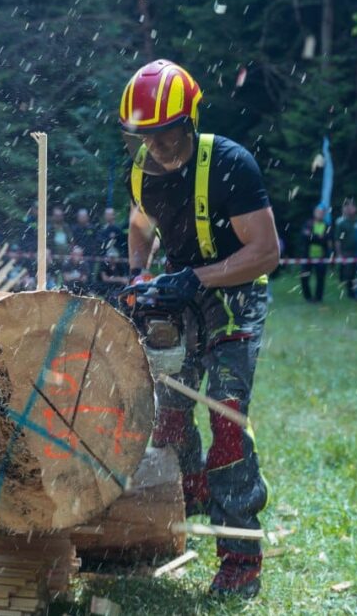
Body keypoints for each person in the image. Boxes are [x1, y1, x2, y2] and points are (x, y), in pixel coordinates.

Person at [119, 59, 280, 598]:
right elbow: (139, 224)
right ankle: (187, 501)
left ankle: (240, 557)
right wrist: (141, 275)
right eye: (147, 135)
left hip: (236, 292)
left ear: (188, 118)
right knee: (167, 418)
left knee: (226, 419)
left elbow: (265, 252)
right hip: (179, 292)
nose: (158, 144)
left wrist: (198, 277)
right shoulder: (143, 171)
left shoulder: (231, 164)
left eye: (166, 131)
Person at [300, 206, 332, 303]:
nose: (319, 214)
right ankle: (308, 298)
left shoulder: (327, 226)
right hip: (307, 256)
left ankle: (318, 298)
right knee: (304, 277)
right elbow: (304, 236)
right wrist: (318, 237)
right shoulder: (308, 223)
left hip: (321, 256)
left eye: (321, 212)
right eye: (318, 212)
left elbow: (326, 239)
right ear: (314, 213)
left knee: (320, 278)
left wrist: (312, 236)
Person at [333, 200, 357, 289]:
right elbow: (338, 240)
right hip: (347, 251)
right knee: (348, 272)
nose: (350, 210)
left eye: (352, 207)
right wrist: (339, 254)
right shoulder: (342, 223)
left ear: (356, 209)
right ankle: (350, 291)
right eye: (348, 208)